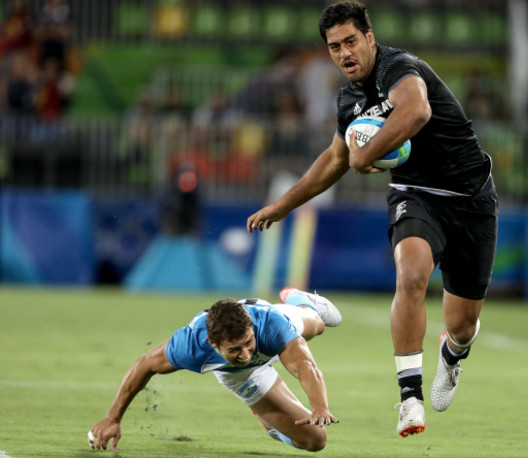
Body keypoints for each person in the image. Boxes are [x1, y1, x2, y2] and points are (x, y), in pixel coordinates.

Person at [246, 2, 498, 438]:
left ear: (369, 38)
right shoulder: (348, 99)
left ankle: (453, 355)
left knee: (462, 324)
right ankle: (409, 397)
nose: (344, 53)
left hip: (472, 198)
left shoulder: (398, 68)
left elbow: (416, 111)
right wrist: (284, 205)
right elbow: (335, 158)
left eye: (350, 42)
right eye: (333, 47)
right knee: (412, 273)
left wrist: (366, 151)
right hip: (415, 195)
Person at [87, 288, 342, 452]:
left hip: (273, 327)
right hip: (241, 376)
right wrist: (113, 418)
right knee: (314, 441)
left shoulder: (271, 325)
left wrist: (320, 406)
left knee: (319, 323)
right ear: (213, 344)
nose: (245, 354)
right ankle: (269, 421)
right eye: (234, 350)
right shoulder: (191, 346)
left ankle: (302, 300)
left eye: (247, 343)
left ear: (251, 328)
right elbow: (143, 365)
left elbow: (306, 366)